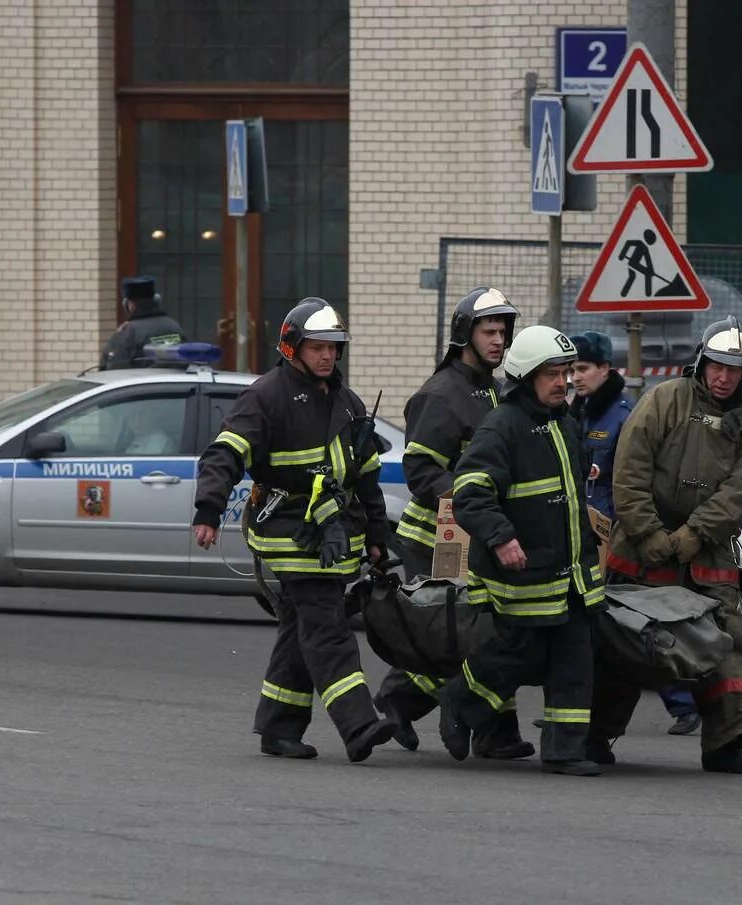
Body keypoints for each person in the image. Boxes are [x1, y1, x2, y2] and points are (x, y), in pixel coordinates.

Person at [191, 297, 399, 763]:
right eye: (318, 347)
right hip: (288, 532)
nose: (327, 356)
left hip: (333, 533)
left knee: (299, 629)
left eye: (334, 347)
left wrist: (378, 538)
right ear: (293, 347)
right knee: (327, 626)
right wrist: (208, 511)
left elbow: (365, 477)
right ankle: (360, 725)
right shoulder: (265, 397)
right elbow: (223, 454)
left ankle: (279, 728)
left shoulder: (347, 403)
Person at [590, 315, 742, 774]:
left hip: (707, 551)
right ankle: (594, 736)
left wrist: (691, 537)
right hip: (640, 546)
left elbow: (740, 491)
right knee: (625, 643)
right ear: (702, 362)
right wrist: (648, 533)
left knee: (727, 645)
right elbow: (629, 472)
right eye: (717, 365)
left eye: (734, 368)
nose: (724, 376)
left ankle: (726, 745)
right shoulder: (664, 399)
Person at [436, 326, 606, 777]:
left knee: (575, 657)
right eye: (552, 373)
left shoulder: (565, 423)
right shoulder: (502, 426)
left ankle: (564, 750)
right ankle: (459, 701)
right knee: (518, 655)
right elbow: (470, 493)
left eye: (567, 372)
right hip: (526, 574)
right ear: (526, 376)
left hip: (569, 573)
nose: (562, 381)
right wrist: (501, 536)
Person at [372, 287, 534, 759]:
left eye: (504, 332)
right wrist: (475, 500)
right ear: (465, 333)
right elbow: (421, 472)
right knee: (464, 634)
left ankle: (484, 729)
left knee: (483, 629)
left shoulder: (496, 389)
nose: (499, 341)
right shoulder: (441, 393)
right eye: (490, 331)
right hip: (439, 538)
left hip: (480, 533)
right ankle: (471, 723)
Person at [569, 331, 698, 736]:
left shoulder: (623, 416)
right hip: (585, 535)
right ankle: (574, 707)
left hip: (618, 540)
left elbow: (632, 482)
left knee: (631, 626)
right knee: (587, 628)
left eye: (583, 369)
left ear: (605, 369)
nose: (575, 377)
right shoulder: (581, 412)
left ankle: (684, 705)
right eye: (571, 369)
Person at [100, 276, 186, 370]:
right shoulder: (173, 326)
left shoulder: (126, 333)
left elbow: (113, 371)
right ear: (156, 300)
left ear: (130, 304)